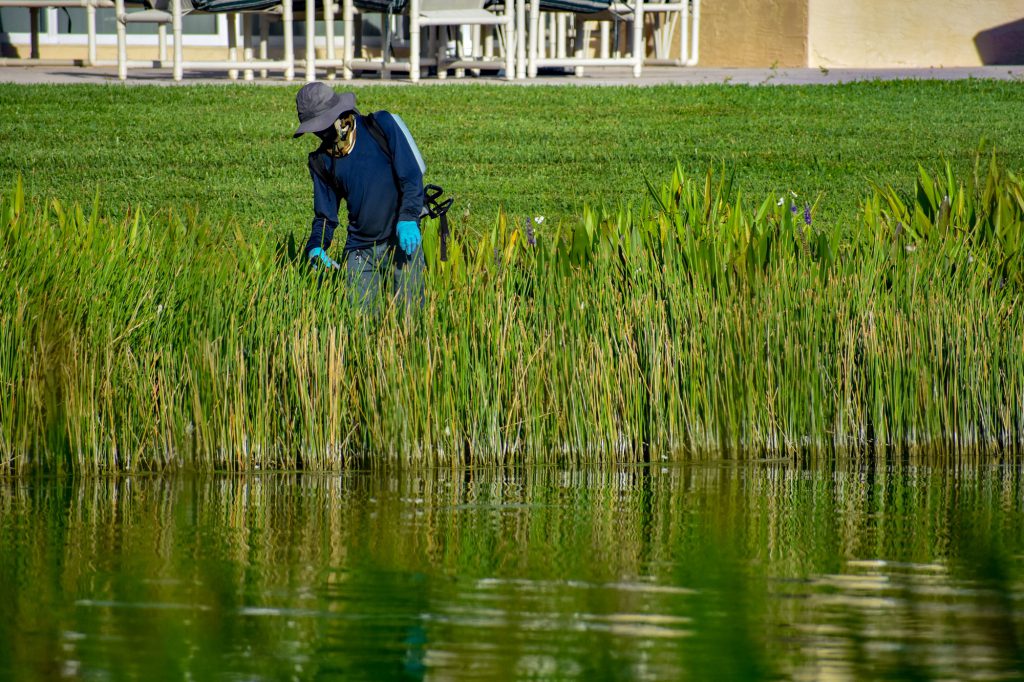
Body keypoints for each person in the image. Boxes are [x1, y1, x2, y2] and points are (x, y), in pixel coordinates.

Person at [292, 82, 425, 310]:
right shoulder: (321, 161)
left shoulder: (381, 126)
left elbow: (411, 176)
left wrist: (408, 218)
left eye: (322, 125)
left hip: (402, 243)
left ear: (338, 113)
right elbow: (325, 217)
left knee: (411, 326)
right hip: (359, 253)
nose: (319, 133)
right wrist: (317, 247)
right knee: (360, 331)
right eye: (315, 129)